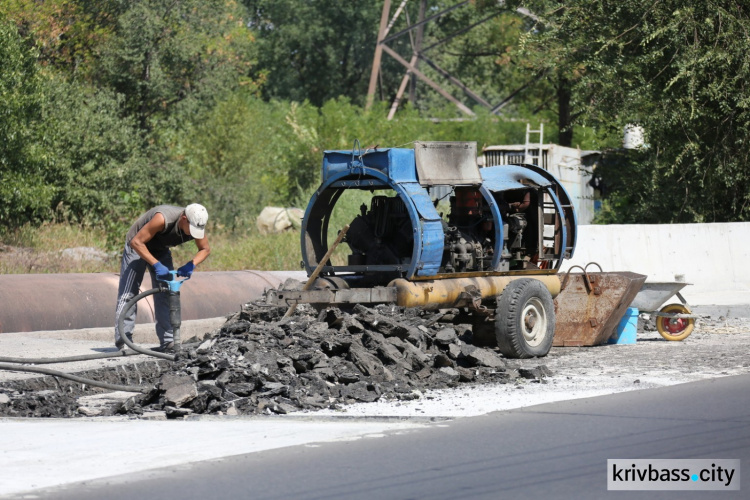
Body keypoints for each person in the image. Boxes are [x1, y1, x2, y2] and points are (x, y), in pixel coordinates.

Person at [114, 204, 210, 352]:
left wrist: (191, 265)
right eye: (191, 229)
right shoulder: (163, 219)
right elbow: (136, 242)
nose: (193, 234)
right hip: (138, 245)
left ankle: (168, 341)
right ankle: (124, 340)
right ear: (184, 219)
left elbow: (205, 249)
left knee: (167, 293)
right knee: (129, 293)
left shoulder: (196, 222)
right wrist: (156, 265)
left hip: (160, 248)